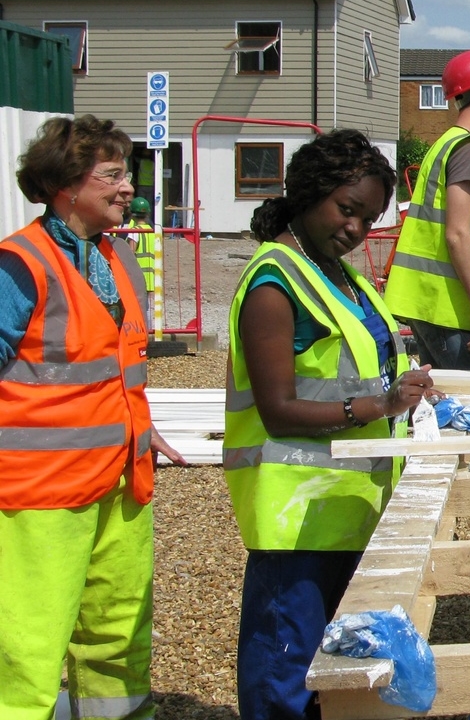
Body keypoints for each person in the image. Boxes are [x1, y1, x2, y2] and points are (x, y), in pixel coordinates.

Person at [225, 129, 433, 719]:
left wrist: (408, 392)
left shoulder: (343, 277)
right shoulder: (276, 282)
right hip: (297, 520)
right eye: (347, 209)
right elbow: (279, 408)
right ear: (309, 192)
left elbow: (362, 371)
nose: (356, 228)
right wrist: (381, 407)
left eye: (368, 218)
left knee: (337, 675)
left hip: (347, 506)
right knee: (286, 674)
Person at [0, 114, 185, 720]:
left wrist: (143, 428)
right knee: (27, 649)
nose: (128, 187)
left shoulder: (118, 257)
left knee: (118, 637)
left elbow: (114, 365)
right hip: (40, 497)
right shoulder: (18, 266)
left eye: (126, 174)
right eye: (112, 175)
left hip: (121, 483)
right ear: (65, 184)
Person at [384, 49, 470, 370]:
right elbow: (457, 234)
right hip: (446, 307)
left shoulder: (444, 144)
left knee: (445, 402)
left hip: (426, 301)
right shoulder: (467, 149)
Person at [124, 196, 158, 314]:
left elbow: (130, 253)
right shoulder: (152, 231)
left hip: (138, 273)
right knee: (148, 305)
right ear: (148, 214)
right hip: (152, 273)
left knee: (139, 304)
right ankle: (148, 329)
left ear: (132, 215)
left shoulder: (135, 231)